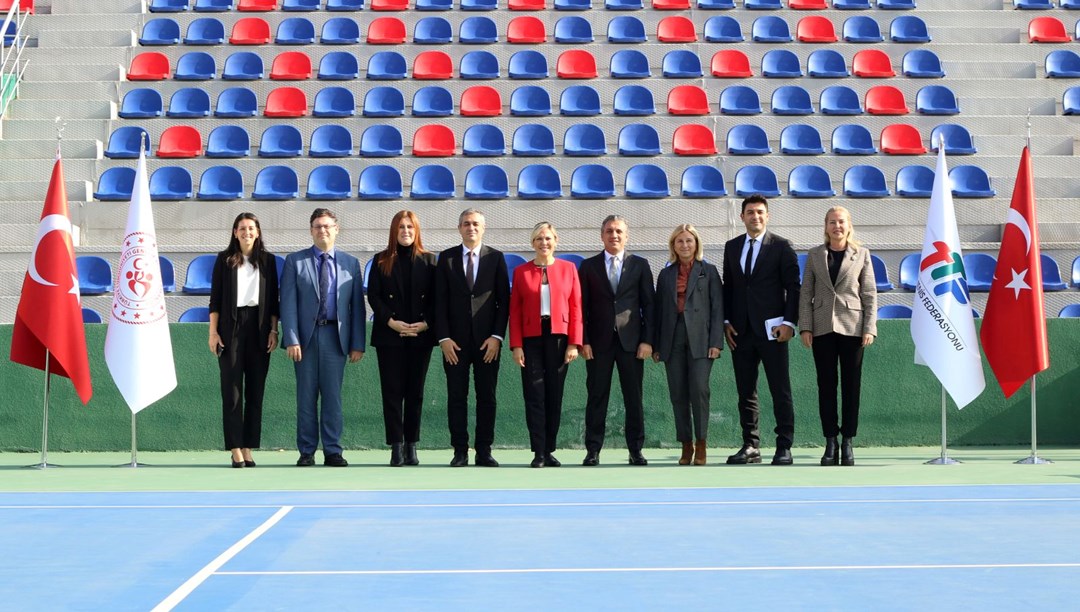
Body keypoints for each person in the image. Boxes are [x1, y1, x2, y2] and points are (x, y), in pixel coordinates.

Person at [279, 208, 366, 468]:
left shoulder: (350, 263)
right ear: (311, 230)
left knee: (332, 397)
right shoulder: (295, 261)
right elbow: (289, 303)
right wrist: (291, 337)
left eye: (327, 226)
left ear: (336, 229)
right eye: (317, 226)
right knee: (305, 397)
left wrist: (357, 343)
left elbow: (357, 308)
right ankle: (306, 451)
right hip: (305, 338)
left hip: (336, 338)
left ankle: (332, 451)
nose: (322, 230)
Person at [722, 194, 801, 466]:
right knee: (746, 391)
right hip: (740, 332)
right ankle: (751, 445)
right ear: (741, 217)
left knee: (780, 390)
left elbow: (794, 287)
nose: (755, 217)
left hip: (773, 332)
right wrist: (726, 321)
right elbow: (729, 287)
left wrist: (789, 323)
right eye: (750, 212)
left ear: (767, 216)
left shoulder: (781, 246)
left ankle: (784, 446)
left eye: (760, 212)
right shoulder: (731, 247)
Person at [799, 206, 877, 467]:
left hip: (853, 327)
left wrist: (869, 327)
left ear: (849, 225)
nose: (837, 226)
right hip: (822, 328)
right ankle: (830, 441)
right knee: (826, 386)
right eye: (832, 222)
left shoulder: (862, 254)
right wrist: (806, 327)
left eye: (841, 222)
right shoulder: (814, 255)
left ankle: (848, 441)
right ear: (825, 226)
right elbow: (805, 293)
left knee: (851, 386)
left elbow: (869, 294)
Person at [434, 209, 510, 468]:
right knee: (457, 396)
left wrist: (497, 337)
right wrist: (443, 338)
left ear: (484, 228)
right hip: (454, 343)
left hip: (487, 342)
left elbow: (503, 302)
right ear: (459, 228)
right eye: (466, 224)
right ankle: (460, 450)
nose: (471, 228)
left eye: (475, 223)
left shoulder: (496, 258)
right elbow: (439, 302)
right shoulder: (446, 259)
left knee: (486, 396)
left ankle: (484, 449)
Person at [579, 215, 656, 466]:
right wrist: (584, 341)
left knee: (633, 397)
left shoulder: (640, 265)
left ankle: (635, 450)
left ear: (627, 235)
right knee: (596, 396)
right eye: (609, 231)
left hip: (631, 343)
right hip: (598, 343)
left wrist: (647, 341)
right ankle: (593, 450)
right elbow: (582, 307)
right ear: (601, 235)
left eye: (619, 231)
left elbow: (649, 306)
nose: (614, 235)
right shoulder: (588, 266)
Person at [208, 213, 279, 469]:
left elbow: (273, 302)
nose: (247, 232)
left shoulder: (268, 261)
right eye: (242, 228)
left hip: (259, 329)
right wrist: (213, 332)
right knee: (233, 392)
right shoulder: (224, 260)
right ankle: (235, 448)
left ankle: (249, 446)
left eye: (251, 228)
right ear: (235, 232)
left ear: (258, 232)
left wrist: (273, 331)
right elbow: (215, 300)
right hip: (231, 327)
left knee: (255, 392)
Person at [510, 222, 582, 468]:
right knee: (534, 395)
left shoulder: (569, 269)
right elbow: (515, 311)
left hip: (559, 338)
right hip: (531, 338)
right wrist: (516, 345)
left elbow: (576, 307)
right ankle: (538, 451)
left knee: (554, 395)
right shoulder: (521, 271)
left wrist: (574, 343)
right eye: (539, 239)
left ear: (556, 240)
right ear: (532, 243)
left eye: (548, 238)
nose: (544, 243)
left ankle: (549, 449)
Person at [367, 210, 437, 467]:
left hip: (421, 335)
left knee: (415, 392)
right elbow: (373, 295)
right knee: (393, 392)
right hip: (390, 336)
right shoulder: (380, 261)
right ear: (393, 231)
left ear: (416, 230)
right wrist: (391, 322)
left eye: (410, 227)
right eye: (401, 227)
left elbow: (436, 298)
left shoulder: (430, 261)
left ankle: (412, 445)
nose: (406, 231)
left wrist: (425, 324)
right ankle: (396, 446)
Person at [653, 224, 724, 466]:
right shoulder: (665, 274)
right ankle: (686, 444)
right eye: (680, 241)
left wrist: (716, 342)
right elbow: (658, 311)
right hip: (672, 339)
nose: (685, 245)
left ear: (696, 244)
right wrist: (656, 345)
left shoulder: (710, 271)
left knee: (699, 390)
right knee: (678, 393)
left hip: (702, 340)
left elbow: (718, 309)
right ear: (673, 245)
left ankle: (701, 443)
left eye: (689, 241)